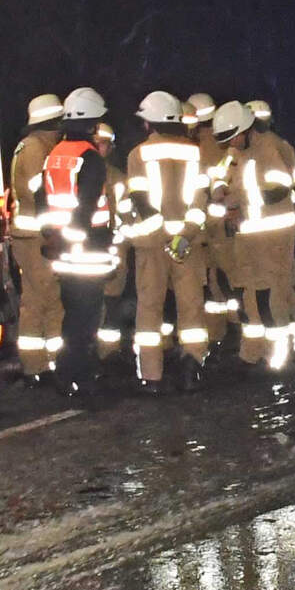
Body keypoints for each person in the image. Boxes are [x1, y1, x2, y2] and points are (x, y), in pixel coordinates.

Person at [21, 87, 121, 392]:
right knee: (86, 318)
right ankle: (78, 376)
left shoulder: (54, 156)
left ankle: (68, 375)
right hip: (87, 252)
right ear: (92, 123)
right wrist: (75, 240)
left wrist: (52, 235)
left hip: (62, 253)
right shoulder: (90, 159)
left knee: (71, 315)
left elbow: (41, 198)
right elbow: (86, 205)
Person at [117, 92, 212, 392]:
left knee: (150, 308)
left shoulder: (138, 155)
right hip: (187, 244)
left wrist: (160, 234)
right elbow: (201, 200)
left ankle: (151, 377)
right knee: (191, 308)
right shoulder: (196, 153)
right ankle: (193, 368)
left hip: (152, 245)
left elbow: (140, 200)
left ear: (151, 123)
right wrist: (183, 236)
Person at [211, 98, 295, 372]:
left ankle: (279, 361)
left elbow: (278, 189)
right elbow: (222, 175)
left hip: (273, 236)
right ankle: (253, 354)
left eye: (233, 137)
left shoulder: (269, 147)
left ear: (245, 129)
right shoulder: (237, 152)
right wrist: (220, 193)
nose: (230, 143)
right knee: (252, 298)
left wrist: (238, 203)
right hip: (250, 236)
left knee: (274, 298)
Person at [3, 93, 65, 381]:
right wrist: (53, 234)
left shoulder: (26, 146)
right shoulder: (37, 149)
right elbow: (42, 194)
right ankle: (54, 364)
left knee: (33, 301)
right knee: (51, 301)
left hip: (27, 236)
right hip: (39, 237)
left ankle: (35, 366)